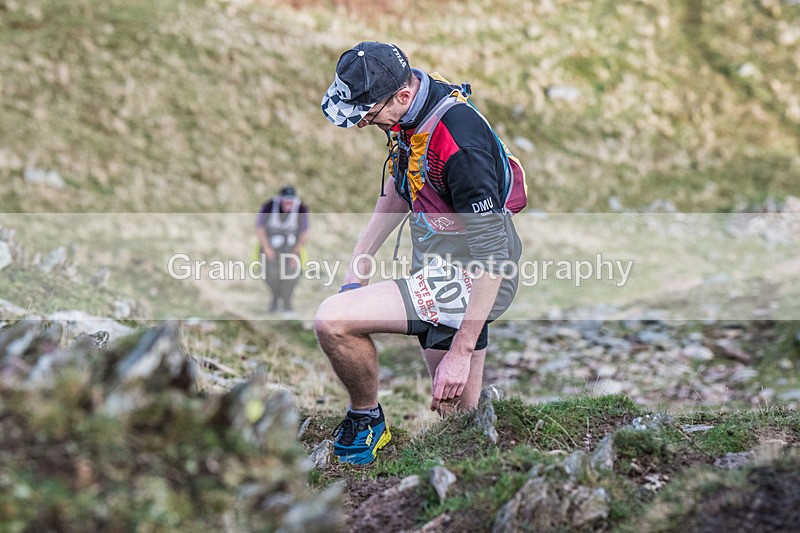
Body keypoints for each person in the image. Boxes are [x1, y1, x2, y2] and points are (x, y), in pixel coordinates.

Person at [316, 41, 523, 465]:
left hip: (471, 275)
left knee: (333, 320)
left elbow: (493, 256)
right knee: (458, 424)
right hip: (437, 261)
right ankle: (478, 457)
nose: (362, 126)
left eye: (368, 116)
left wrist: (462, 352)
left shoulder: (460, 147)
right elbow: (400, 187)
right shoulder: (413, 114)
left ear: (403, 96)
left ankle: (366, 421)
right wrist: (358, 268)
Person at [256, 185, 309, 313]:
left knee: (291, 276)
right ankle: (274, 299)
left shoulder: (301, 208)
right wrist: (267, 248)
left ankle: (287, 304)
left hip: (292, 248)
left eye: (291, 201)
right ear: (280, 199)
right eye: (286, 201)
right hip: (271, 248)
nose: (288, 204)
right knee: (269, 275)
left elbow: (305, 232)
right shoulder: (269, 206)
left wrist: (295, 253)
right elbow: (260, 227)